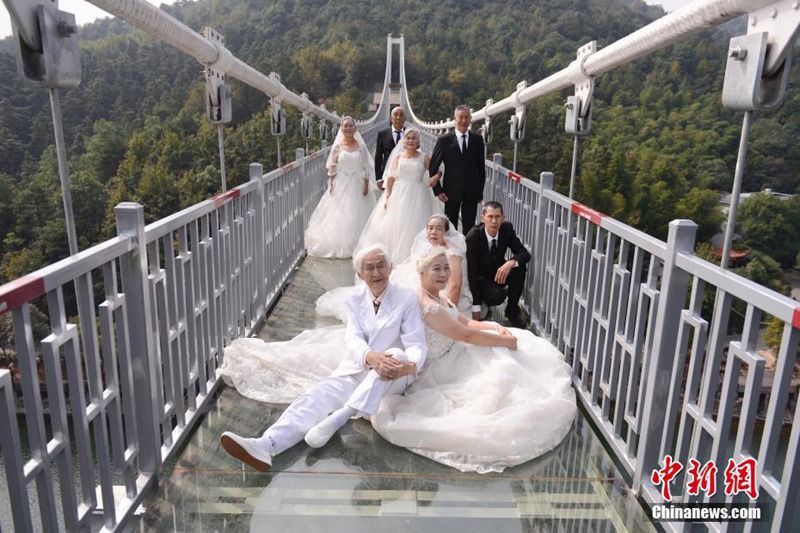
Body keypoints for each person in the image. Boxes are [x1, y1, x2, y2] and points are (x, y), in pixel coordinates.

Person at [219, 244, 427, 471]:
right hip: (360, 368)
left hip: (394, 375)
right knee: (316, 396)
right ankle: (266, 444)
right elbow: (353, 338)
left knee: (395, 354)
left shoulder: (406, 299)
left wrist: (408, 367)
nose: (377, 272)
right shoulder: (354, 299)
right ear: (360, 274)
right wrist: (370, 357)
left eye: (381, 266)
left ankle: (340, 417)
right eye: (370, 268)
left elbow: (416, 343)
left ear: (391, 268)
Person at [371, 247, 576, 473]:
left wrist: (496, 328)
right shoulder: (429, 308)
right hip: (444, 362)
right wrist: (503, 341)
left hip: (459, 347)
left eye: (446, 268)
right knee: (500, 371)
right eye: (436, 269)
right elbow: (465, 335)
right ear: (421, 272)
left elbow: (468, 323)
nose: (443, 274)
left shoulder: (439, 296)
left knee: (511, 348)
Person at [316, 213, 473, 321]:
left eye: (438, 228)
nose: (433, 232)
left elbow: (455, 285)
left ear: (446, 232)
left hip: (445, 292)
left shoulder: (452, 253)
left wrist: (450, 314)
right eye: (430, 228)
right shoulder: (427, 247)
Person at [355, 127, 442, 262]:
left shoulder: (424, 157)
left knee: (415, 223)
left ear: (418, 141)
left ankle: (416, 255)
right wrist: (388, 196)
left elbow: (438, 170)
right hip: (399, 194)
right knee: (397, 223)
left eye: (414, 138)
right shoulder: (398, 157)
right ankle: (396, 255)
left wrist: (435, 177)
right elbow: (391, 176)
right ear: (404, 141)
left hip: (418, 195)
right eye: (408, 138)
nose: (411, 141)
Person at [304, 116, 377, 258]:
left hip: (357, 183)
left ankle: (357, 243)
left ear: (355, 128)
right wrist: (331, 182)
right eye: (345, 126)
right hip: (341, 183)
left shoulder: (361, 147)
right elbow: (332, 166)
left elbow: (365, 166)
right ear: (341, 129)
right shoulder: (337, 147)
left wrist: (366, 184)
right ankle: (342, 244)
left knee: (356, 213)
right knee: (340, 213)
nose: (348, 128)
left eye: (350, 125)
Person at [465, 200, 530, 328]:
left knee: (519, 267)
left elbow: (524, 253)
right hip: (480, 278)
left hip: (498, 272)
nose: (494, 221)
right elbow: (471, 273)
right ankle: (484, 301)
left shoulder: (506, 229)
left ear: (503, 218)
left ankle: (512, 312)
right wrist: (476, 306)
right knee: (497, 296)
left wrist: (511, 262)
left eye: (497, 217)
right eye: (490, 217)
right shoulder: (473, 237)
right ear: (482, 218)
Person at [429, 105, 486, 235]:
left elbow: (481, 167)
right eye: (461, 117)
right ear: (455, 119)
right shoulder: (444, 140)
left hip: (472, 190)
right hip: (450, 191)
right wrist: (438, 190)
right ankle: (451, 248)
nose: (464, 120)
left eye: (467, 117)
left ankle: (467, 248)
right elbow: (433, 166)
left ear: (470, 119)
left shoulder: (477, 139)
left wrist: (479, 191)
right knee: (450, 226)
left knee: (469, 227)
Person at [374, 106, 406, 189]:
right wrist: (378, 178)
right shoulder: (382, 134)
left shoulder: (409, 134)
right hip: (387, 174)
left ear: (405, 119)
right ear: (391, 118)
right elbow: (378, 157)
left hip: (405, 175)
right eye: (395, 115)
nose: (398, 117)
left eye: (401, 115)